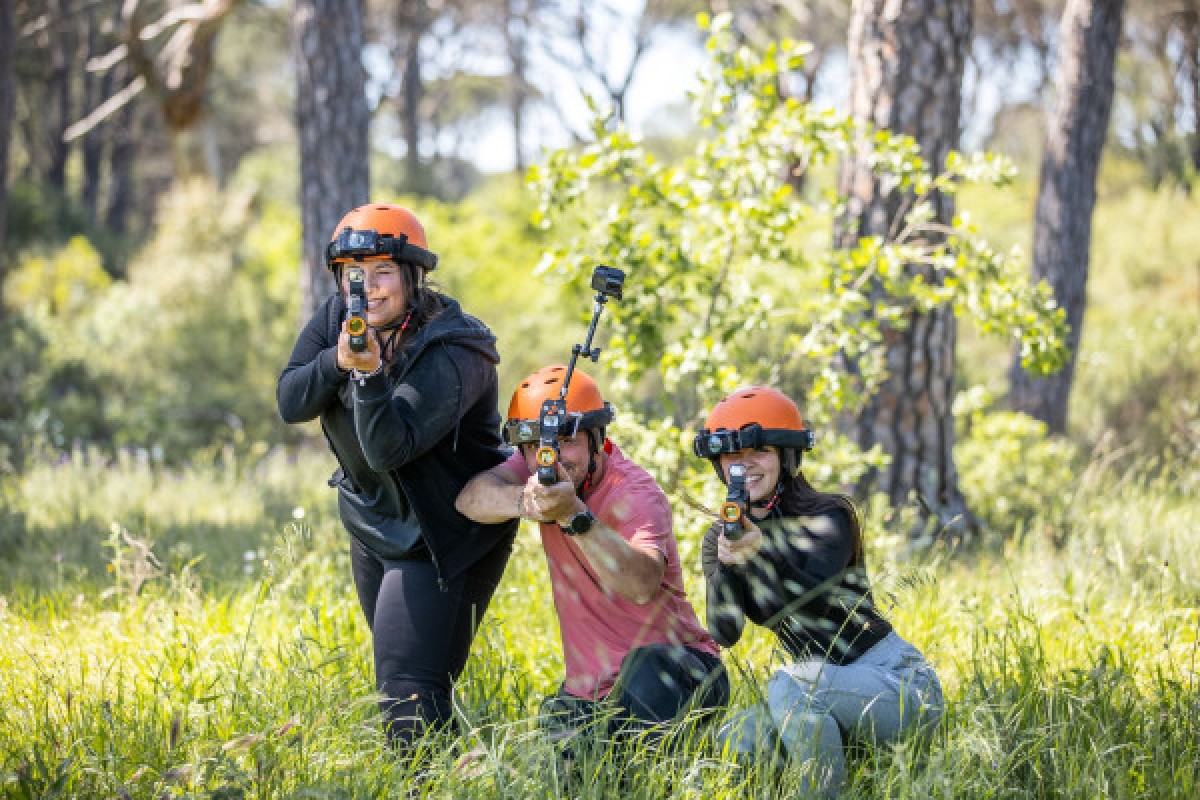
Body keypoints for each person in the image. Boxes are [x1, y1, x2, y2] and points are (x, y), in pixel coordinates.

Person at [276, 203, 518, 749]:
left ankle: (429, 783)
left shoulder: (457, 347)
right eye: (352, 275)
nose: (368, 288)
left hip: (443, 532)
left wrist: (367, 375)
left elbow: (391, 448)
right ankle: (455, 775)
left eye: (383, 272)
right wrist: (335, 361)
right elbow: (291, 400)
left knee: (408, 698)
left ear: (413, 276)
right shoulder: (339, 315)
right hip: (375, 522)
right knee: (413, 684)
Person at [455, 365, 729, 741]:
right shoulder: (537, 468)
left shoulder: (634, 491)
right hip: (592, 693)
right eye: (535, 447)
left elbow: (641, 584)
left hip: (681, 669)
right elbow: (469, 499)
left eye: (566, 441)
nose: (552, 457)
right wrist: (524, 501)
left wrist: (573, 516)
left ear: (596, 439)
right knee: (545, 761)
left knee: (645, 676)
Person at [694, 386, 943, 793]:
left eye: (760, 452)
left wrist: (761, 553)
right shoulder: (721, 538)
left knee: (789, 683)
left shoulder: (829, 515)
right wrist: (726, 564)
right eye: (732, 457)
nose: (744, 467)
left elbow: (813, 596)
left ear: (788, 457)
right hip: (821, 692)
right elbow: (726, 633)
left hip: (894, 683)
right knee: (735, 735)